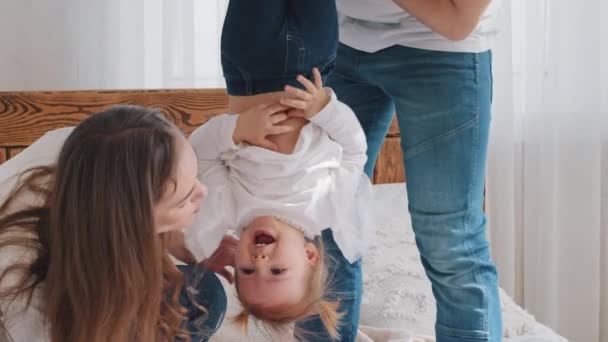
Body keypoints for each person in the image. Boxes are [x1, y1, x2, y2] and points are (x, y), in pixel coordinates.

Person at [328, 0, 503, 341]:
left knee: (449, 238)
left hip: (442, 49)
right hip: (341, 39)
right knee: (325, 221)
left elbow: (458, 22)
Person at [0, 106, 226, 342]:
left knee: (204, 290)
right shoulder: (30, 313)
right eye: (183, 201)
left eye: (195, 177)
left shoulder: (89, 147)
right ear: (132, 225)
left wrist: (183, 242)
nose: (204, 192)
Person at [186, 69, 371, 341]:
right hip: (306, 73)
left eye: (247, 270)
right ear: (310, 255)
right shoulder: (325, 210)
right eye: (277, 271)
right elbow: (355, 152)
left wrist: (236, 129)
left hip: (247, 79)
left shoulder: (231, 210)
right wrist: (325, 110)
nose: (260, 261)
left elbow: (199, 157)